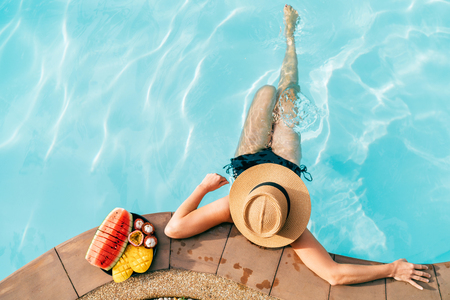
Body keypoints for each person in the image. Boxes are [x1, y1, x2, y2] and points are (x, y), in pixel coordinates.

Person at [165, 4, 431, 290]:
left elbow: (173, 229)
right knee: (288, 95)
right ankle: (291, 38)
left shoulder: (234, 206)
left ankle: (288, 39)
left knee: (266, 93)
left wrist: (203, 188)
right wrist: (392, 269)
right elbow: (334, 275)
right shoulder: (288, 225)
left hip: (248, 166)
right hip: (284, 166)